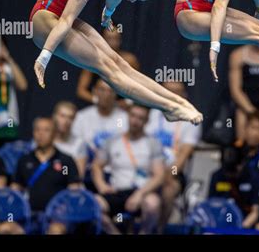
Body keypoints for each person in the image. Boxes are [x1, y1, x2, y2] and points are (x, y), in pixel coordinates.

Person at [30, 0, 202, 124]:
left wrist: (108, 13)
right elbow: (66, 21)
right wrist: (44, 58)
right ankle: (169, 108)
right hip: (44, 20)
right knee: (106, 68)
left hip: (59, 15)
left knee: (120, 63)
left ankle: (179, 101)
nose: (133, 1)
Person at [93, 104, 165, 234]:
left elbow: (159, 176)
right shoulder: (112, 141)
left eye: (140, 118)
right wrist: (102, 185)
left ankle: (144, 232)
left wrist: (139, 194)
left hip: (142, 191)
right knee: (94, 205)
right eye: (133, 116)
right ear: (128, 116)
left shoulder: (153, 143)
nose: (135, 121)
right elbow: (97, 166)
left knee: (153, 204)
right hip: (117, 191)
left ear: (146, 121)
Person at [209, 111, 259, 228]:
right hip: (235, 200)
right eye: (253, 128)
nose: (255, 133)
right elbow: (224, 174)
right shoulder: (233, 149)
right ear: (245, 129)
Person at [144, 82, 202, 226]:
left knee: (169, 189)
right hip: (146, 168)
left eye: (177, 92)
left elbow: (182, 157)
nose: (173, 96)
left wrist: (164, 175)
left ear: (184, 95)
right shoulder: (151, 114)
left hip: (173, 173)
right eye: (168, 91)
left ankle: (160, 228)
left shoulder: (191, 118)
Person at [11, 117, 81, 234]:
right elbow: (15, 189)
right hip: (29, 215)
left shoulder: (65, 161)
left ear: (54, 134)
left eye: (46, 130)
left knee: (56, 231)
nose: (41, 134)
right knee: (6, 229)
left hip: (57, 217)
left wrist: (65, 209)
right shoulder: (24, 160)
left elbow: (73, 191)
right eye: (37, 130)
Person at [76, 25, 140, 105]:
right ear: (102, 39)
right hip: (99, 106)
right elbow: (81, 90)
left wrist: (128, 102)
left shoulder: (130, 60)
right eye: (109, 38)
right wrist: (99, 101)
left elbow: (139, 86)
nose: (113, 42)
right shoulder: (93, 58)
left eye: (116, 38)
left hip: (124, 107)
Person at [52, 101, 87, 177]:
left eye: (70, 117)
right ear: (54, 116)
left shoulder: (79, 143)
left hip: (68, 186)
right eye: (62, 116)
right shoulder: (43, 141)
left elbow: (79, 176)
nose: (66, 121)